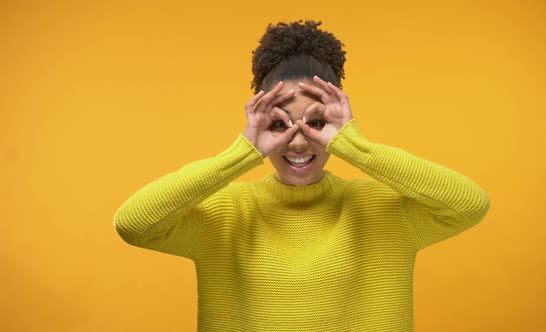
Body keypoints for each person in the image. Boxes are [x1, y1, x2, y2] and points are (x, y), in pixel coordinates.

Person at [113, 20, 490, 331]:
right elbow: (134, 224)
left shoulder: (380, 211)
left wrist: (353, 145)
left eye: (316, 122)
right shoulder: (226, 214)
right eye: (279, 124)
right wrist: (244, 151)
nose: (297, 142)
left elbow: (469, 204)